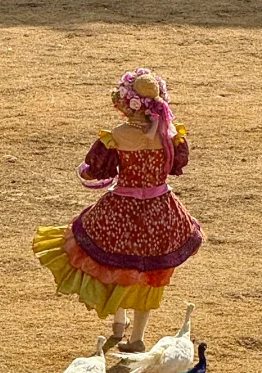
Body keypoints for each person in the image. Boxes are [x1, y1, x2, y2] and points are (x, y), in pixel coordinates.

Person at [32, 68, 203, 351]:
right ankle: (137, 338)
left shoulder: (117, 135)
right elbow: (176, 166)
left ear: (127, 104)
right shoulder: (170, 135)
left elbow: (98, 170)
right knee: (149, 274)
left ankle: (119, 322)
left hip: (122, 209)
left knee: (117, 264)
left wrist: (86, 172)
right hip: (161, 211)